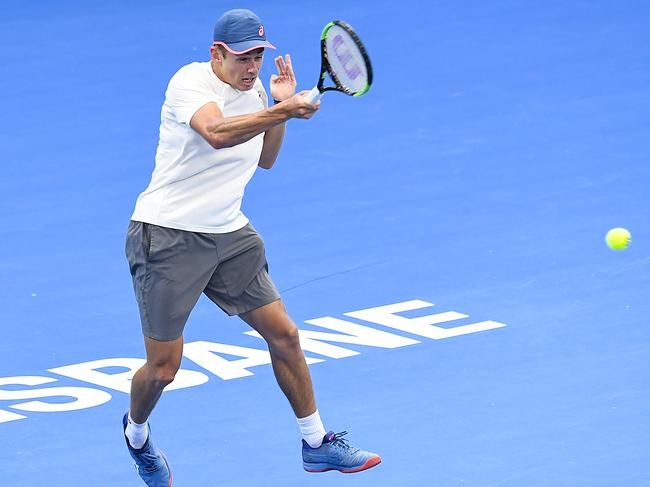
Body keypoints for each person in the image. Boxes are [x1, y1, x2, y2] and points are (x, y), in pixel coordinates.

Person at [122, 9, 381, 486]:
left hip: (230, 235)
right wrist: (284, 110)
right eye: (242, 57)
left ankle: (316, 442)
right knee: (163, 369)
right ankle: (136, 434)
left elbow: (265, 159)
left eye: (258, 56)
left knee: (285, 335)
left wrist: (279, 106)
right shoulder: (189, 84)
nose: (252, 67)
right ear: (216, 53)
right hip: (169, 236)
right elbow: (217, 134)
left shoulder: (259, 90)